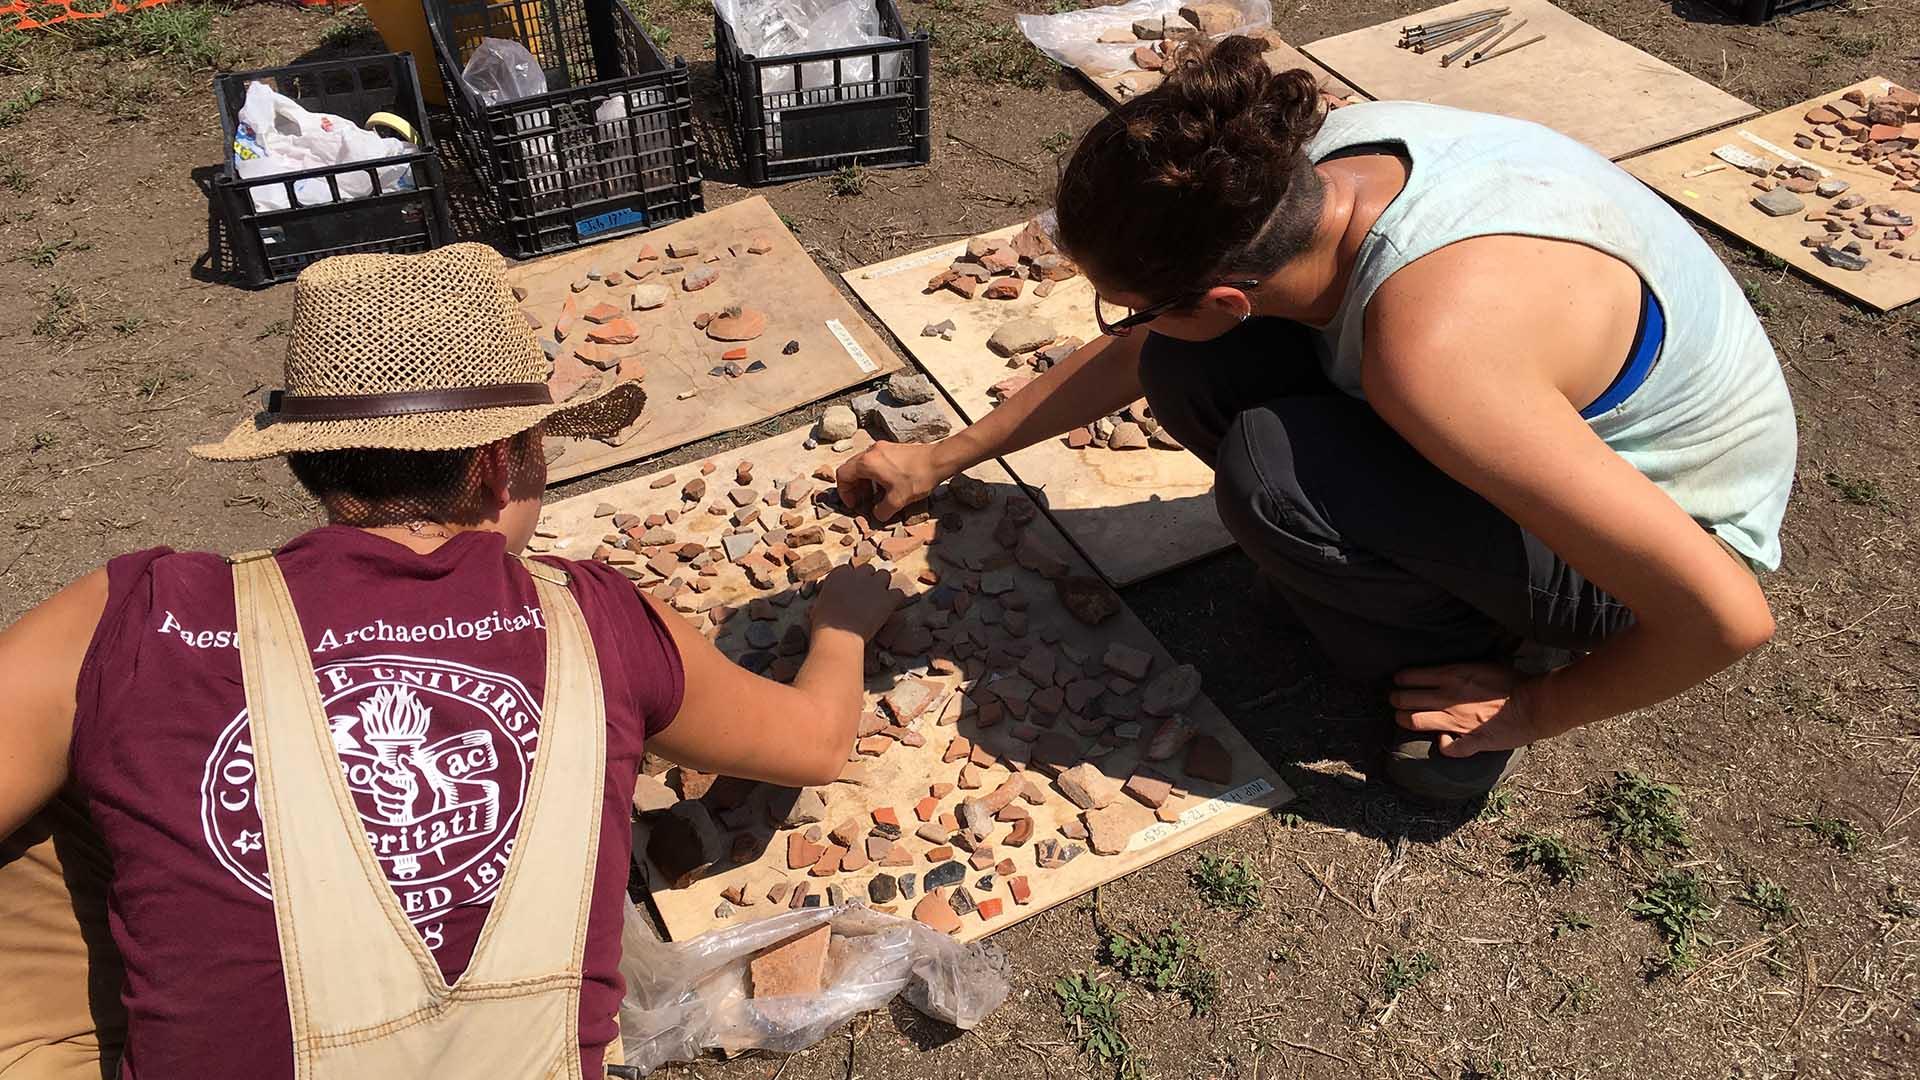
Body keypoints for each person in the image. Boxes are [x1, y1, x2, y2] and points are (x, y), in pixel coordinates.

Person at [0, 244, 897, 1078]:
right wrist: (842, 625)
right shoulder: (595, 617)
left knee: (78, 794)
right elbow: (814, 745)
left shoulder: (131, 610)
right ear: (499, 465)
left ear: (308, 463)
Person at [838, 37, 1793, 803]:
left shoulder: (1434, 357)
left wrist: (1534, 709)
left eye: (1125, 304)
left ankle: (1455, 677)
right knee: (1185, 364)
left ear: (1225, 295)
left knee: (1273, 478)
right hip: (1541, 425)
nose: (1120, 324)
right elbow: (1148, 348)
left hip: (1669, 538)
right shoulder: (1318, 167)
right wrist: (943, 456)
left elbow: (1727, 619)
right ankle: (1398, 568)